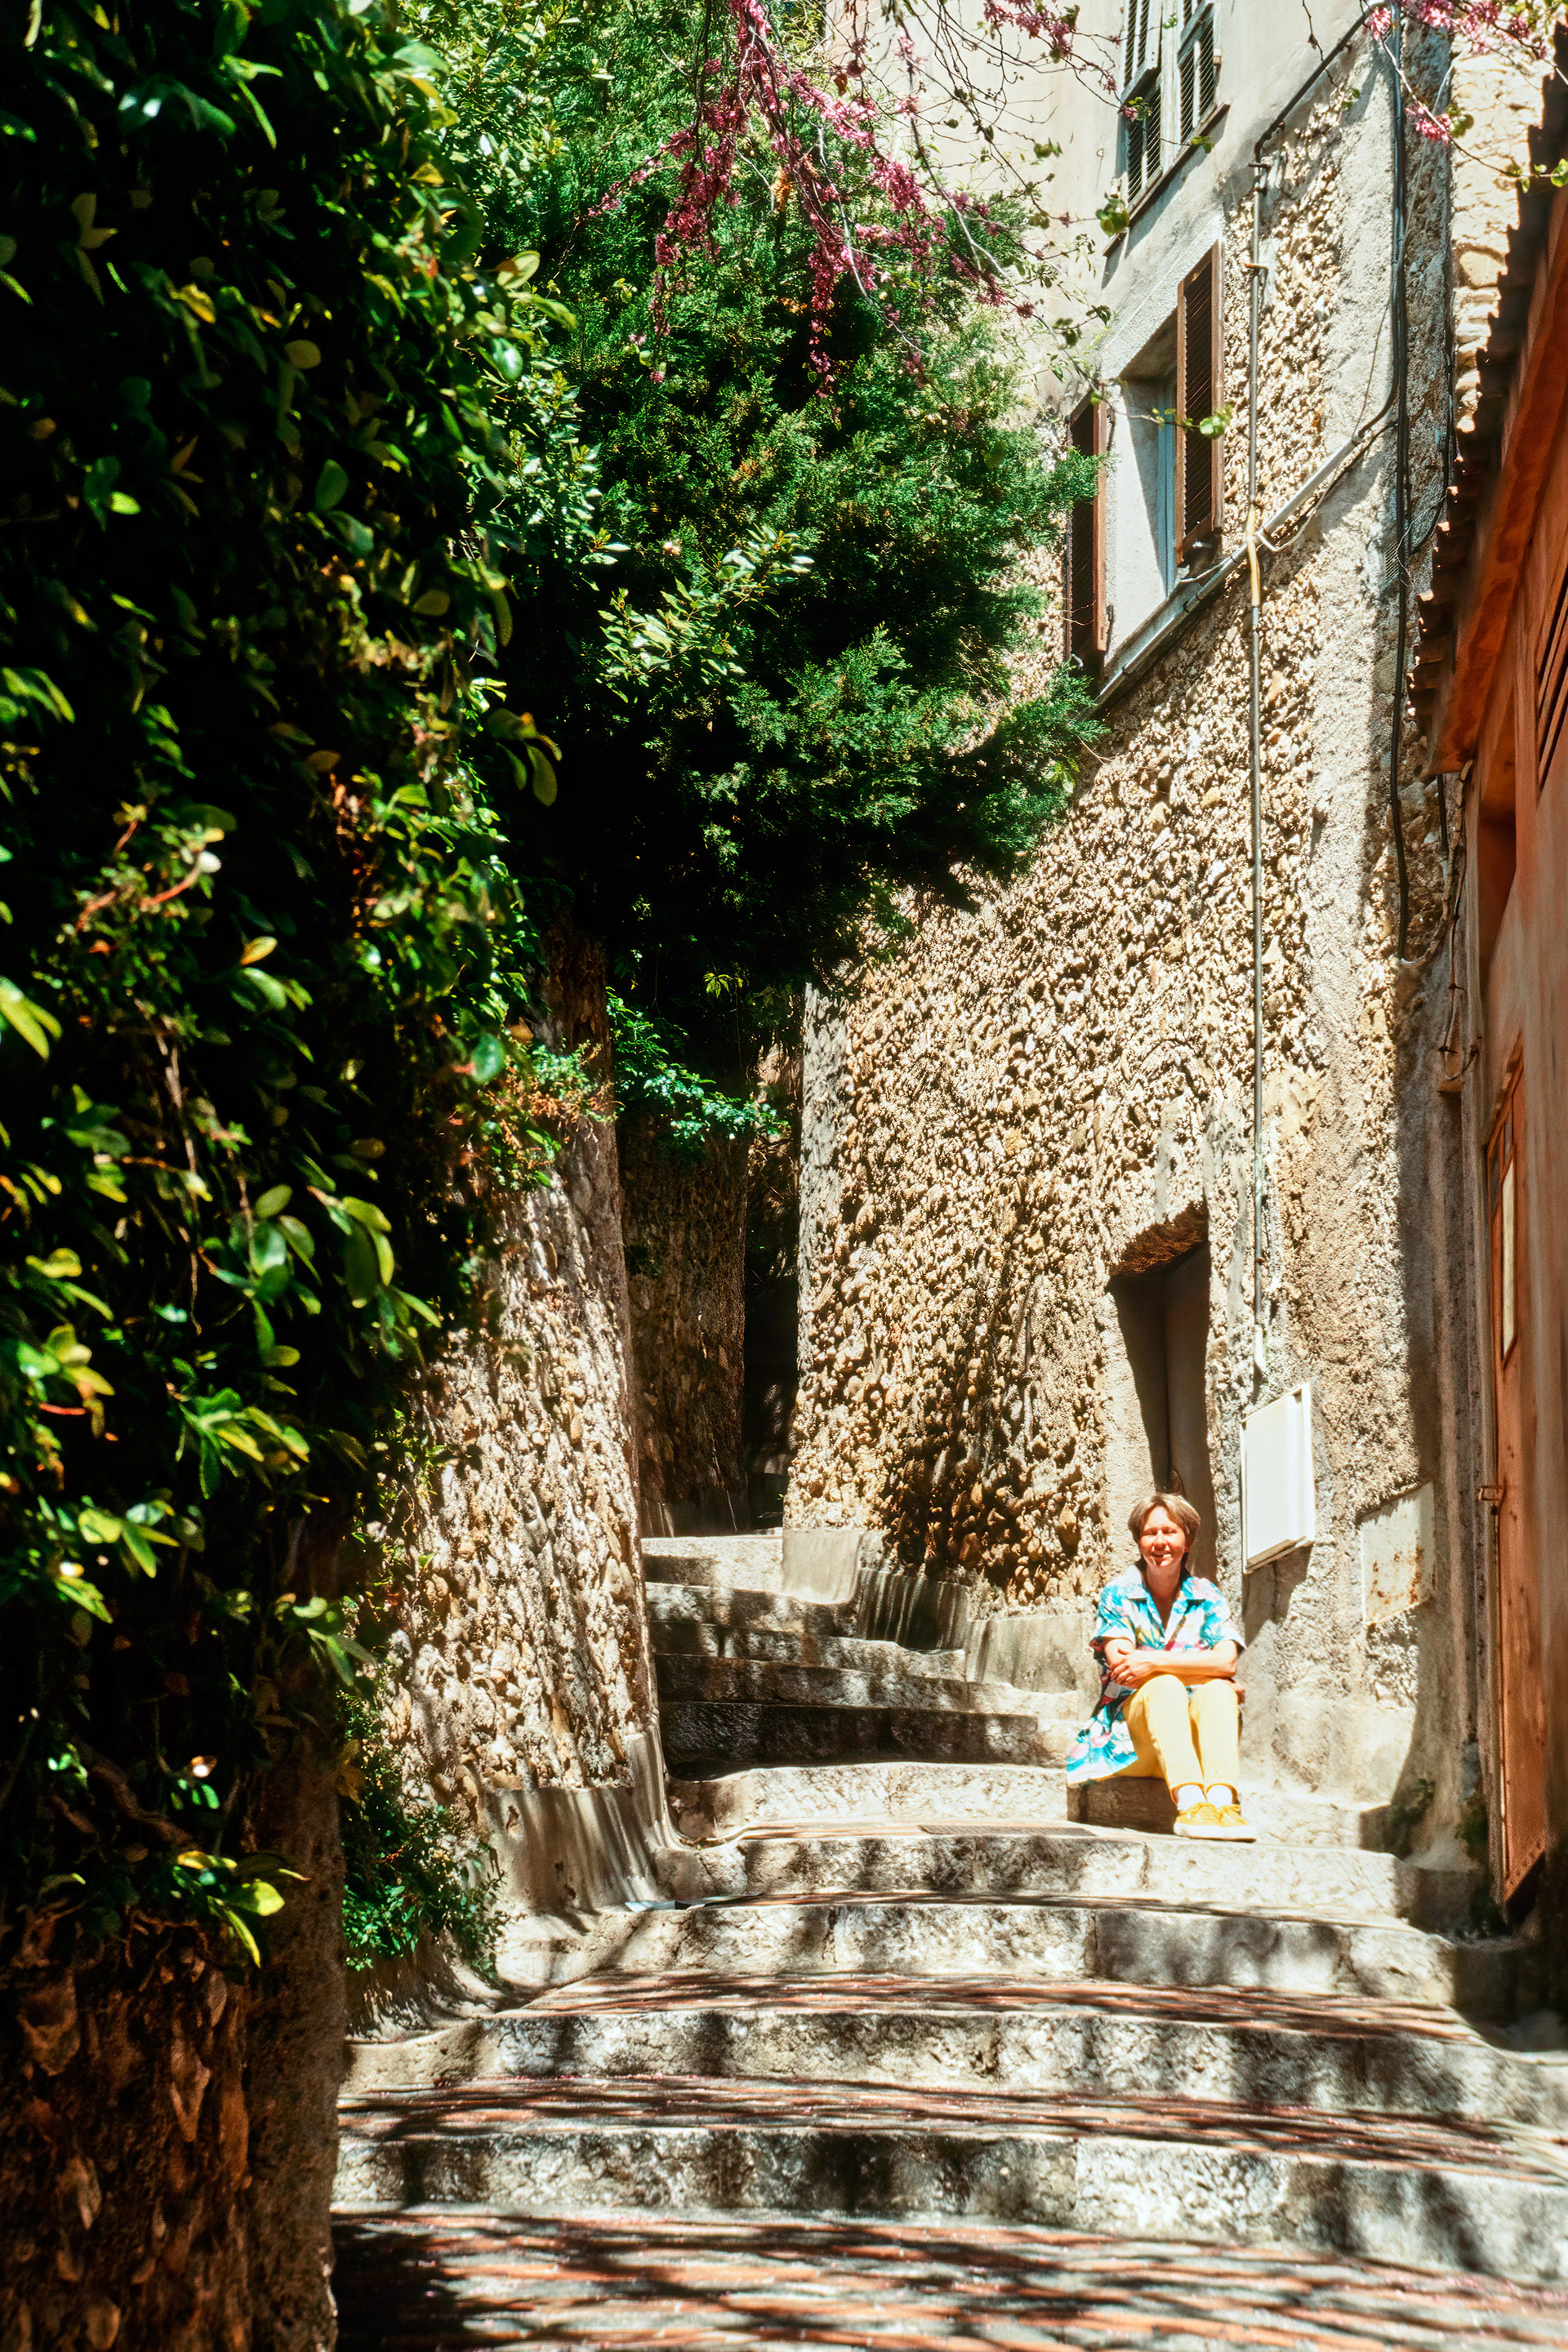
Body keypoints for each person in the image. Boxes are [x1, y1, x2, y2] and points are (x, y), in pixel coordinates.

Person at [1065, 1489, 1255, 1842]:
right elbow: (1124, 1667)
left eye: (1170, 1532)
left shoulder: (1207, 1595)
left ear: (1188, 1541)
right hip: (1130, 1745)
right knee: (1166, 1686)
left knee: (1218, 1692)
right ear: (1139, 1542)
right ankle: (1191, 1806)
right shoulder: (1118, 1594)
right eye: (1150, 1533)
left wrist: (1151, 1659)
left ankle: (1222, 1804)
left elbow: (1227, 1661)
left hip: (1191, 1745)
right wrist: (1202, 1669)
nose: (1159, 1542)